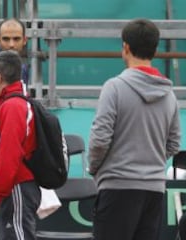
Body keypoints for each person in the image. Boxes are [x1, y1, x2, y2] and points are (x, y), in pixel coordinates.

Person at [87, 18, 181, 240]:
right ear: (155, 49)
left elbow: (100, 139)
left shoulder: (114, 87)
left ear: (126, 47)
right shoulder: (169, 95)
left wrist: (95, 168)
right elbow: (174, 143)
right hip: (154, 190)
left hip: (116, 186)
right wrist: (151, 160)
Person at [0, 50, 41, 240]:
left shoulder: (12, 107)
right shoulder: (5, 104)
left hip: (13, 190)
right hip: (3, 190)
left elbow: (8, 156)